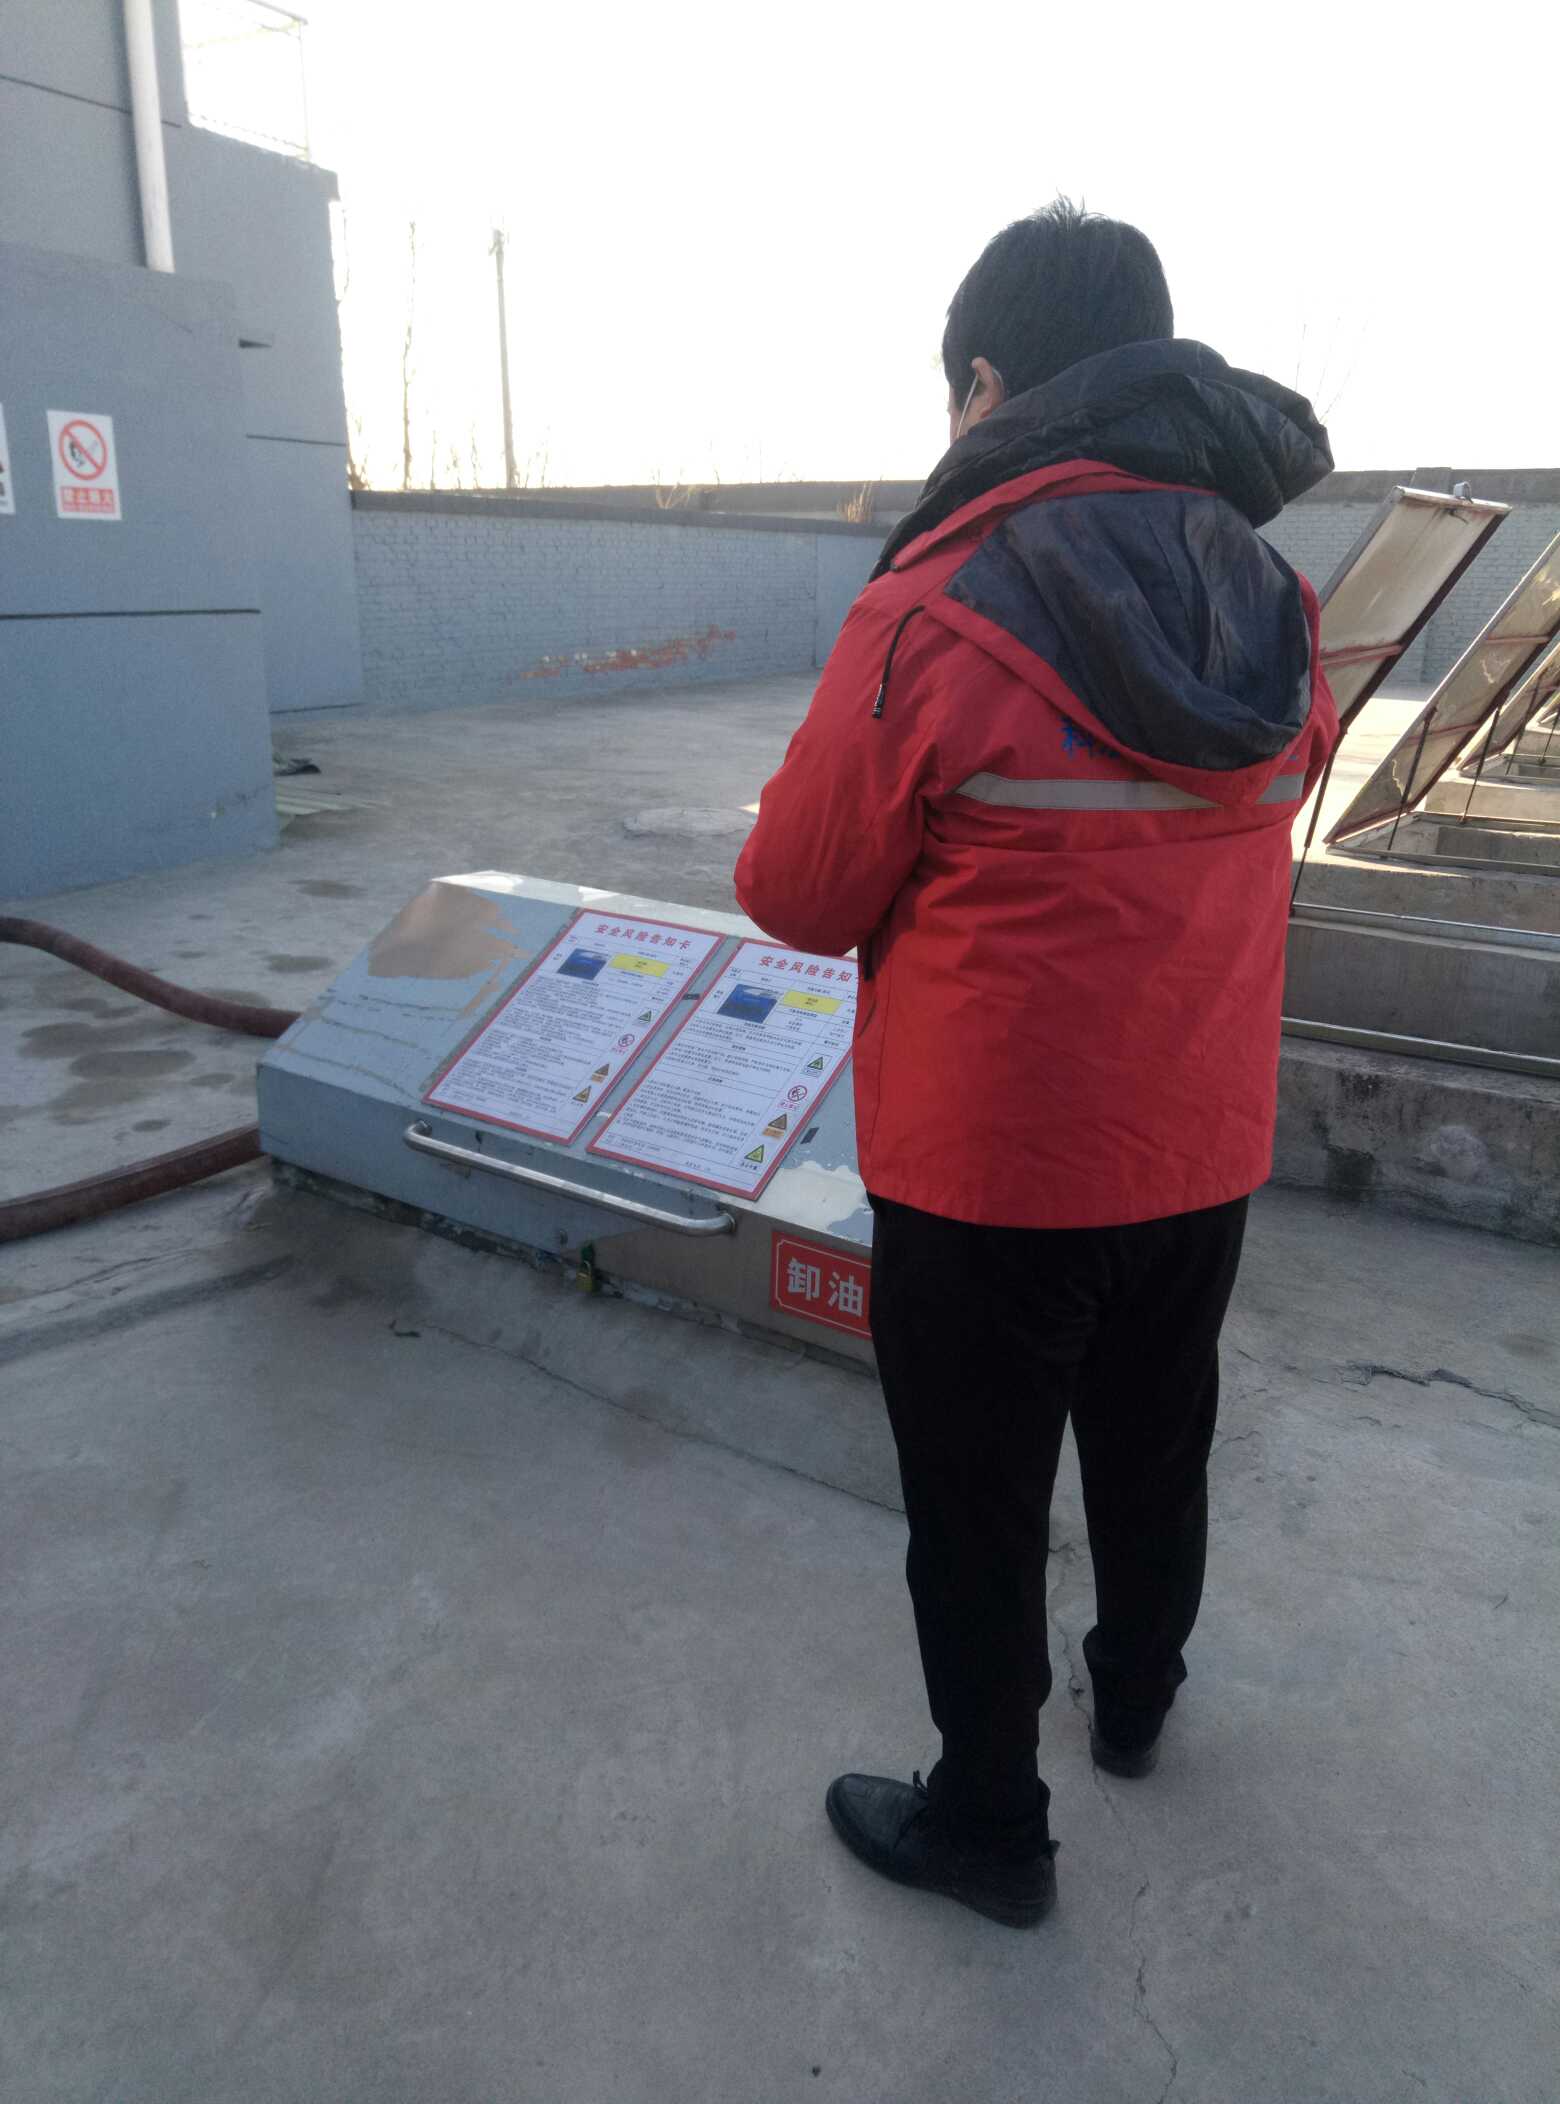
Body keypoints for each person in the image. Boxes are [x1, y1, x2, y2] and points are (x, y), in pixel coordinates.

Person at [733, 200, 1339, 1929]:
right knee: (1157, 1448)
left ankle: (993, 1828)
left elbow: (795, 892)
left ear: (988, 385)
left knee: (980, 1509)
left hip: (990, 1178)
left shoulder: (935, 603)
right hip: (1200, 1149)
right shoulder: (1272, 596)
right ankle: (1133, 1703)